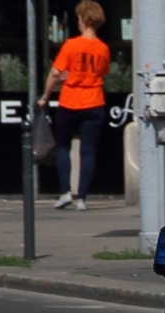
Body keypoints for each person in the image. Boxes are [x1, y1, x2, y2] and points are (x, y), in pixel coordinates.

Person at [37, 0, 110, 211]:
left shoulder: (71, 45)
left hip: (70, 101)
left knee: (63, 147)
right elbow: (102, 72)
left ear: (84, 20)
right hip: (94, 102)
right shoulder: (103, 48)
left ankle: (66, 192)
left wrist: (46, 95)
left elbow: (55, 72)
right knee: (88, 151)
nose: (78, 22)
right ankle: (82, 199)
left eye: (79, 18)